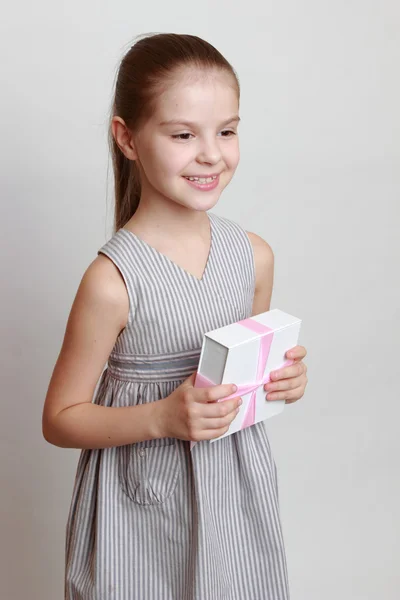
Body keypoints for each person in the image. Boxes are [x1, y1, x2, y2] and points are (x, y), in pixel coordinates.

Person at [42, 32, 308, 600]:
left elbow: (240, 386)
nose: (211, 153)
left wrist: (280, 380)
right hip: (138, 509)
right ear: (128, 138)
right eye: (183, 134)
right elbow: (60, 418)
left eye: (227, 131)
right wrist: (162, 418)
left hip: (234, 495)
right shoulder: (113, 282)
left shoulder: (253, 256)